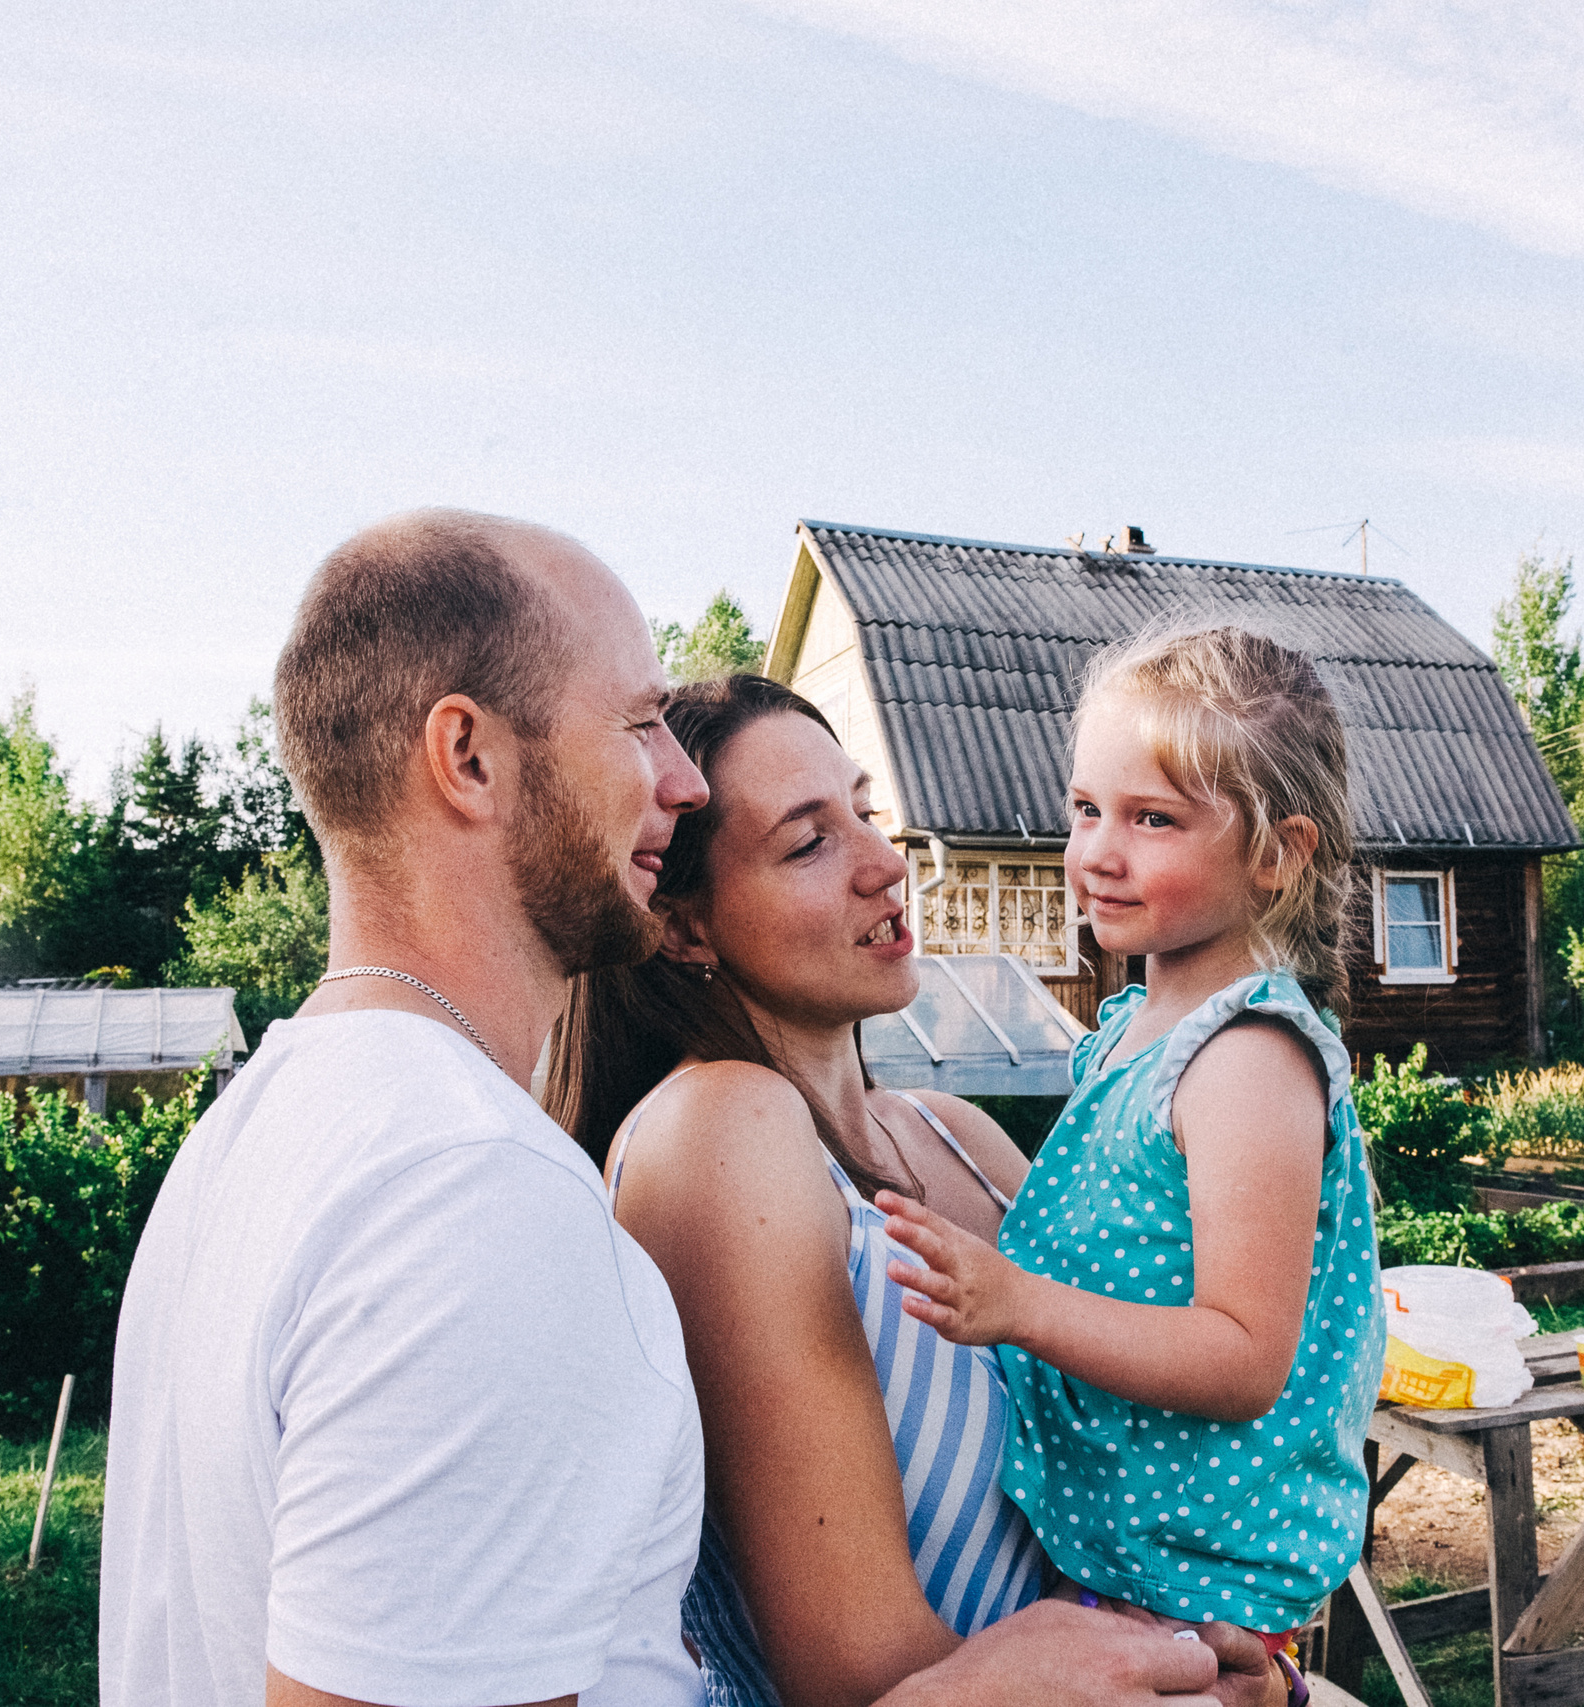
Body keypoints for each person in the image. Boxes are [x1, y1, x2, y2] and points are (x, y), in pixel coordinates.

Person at [100, 508, 1235, 1707]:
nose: (678, 782)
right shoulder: (470, 1191)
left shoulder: (249, 1143)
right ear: (468, 757)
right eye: (638, 725)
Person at [547, 674, 1283, 1707]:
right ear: (683, 930)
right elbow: (858, 1673)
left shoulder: (957, 1136)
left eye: (864, 812)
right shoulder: (719, 1129)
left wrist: (1212, 1650)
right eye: (808, 843)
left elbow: (1130, 1448)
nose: (885, 865)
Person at [875, 625, 1387, 1675]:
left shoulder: (1245, 1056)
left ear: (1276, 853)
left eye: (1152, 819)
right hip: (1124, 1563)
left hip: (1194, 1599)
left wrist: (1016, 1305)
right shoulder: (1130, 1029)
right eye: (1085, 809)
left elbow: (1243, 1357)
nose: (1097, 852)